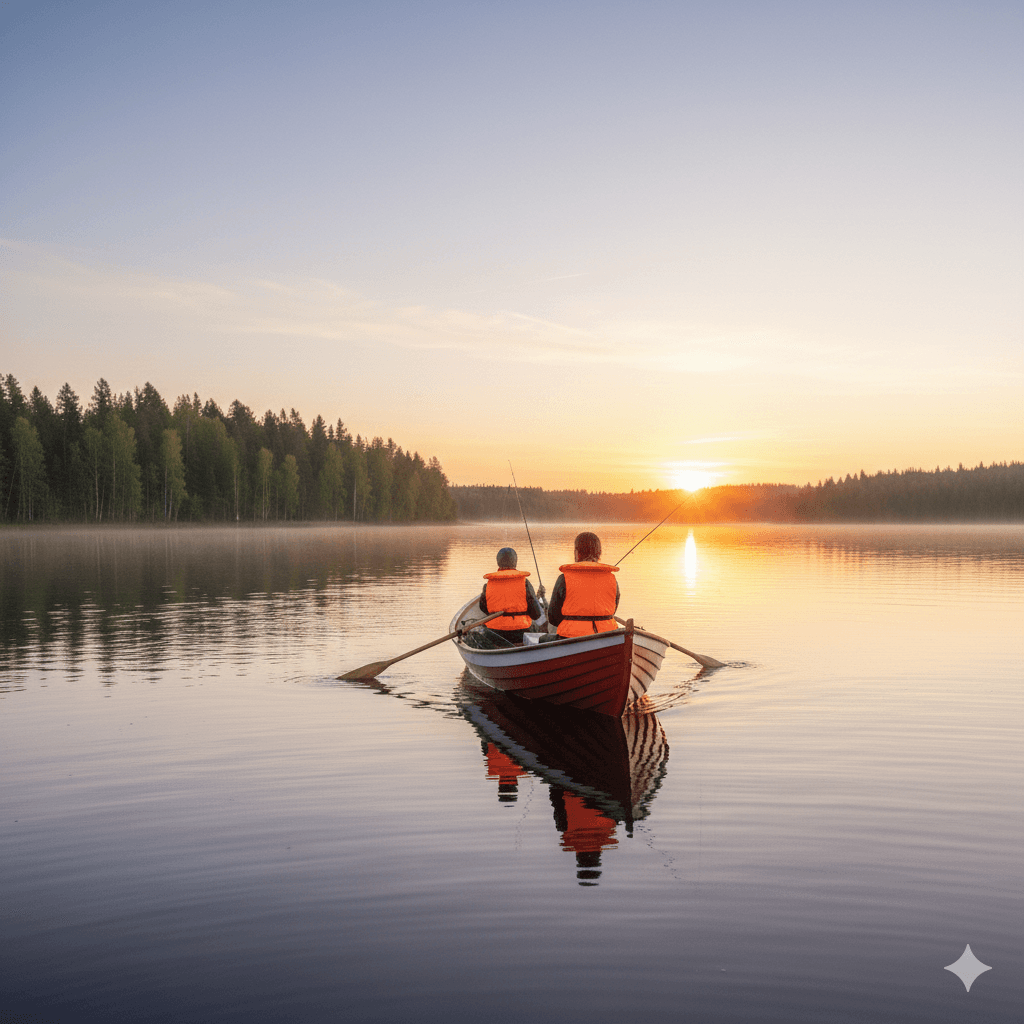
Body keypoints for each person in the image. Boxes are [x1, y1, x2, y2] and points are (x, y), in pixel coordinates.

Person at [545, 532, 620, 638]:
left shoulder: (564, 578)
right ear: (599, 553)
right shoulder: (612, 579)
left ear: (577, 553)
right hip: (606, 637)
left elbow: (553, 617)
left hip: (570, 638)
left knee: (543, 638)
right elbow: (613, 610)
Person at [479, 547, 545, 645]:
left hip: (495, 633)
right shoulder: (525, 583)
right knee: (538, 625)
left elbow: (483, 608)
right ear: (515, 562)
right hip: (521, 633)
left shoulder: (488, 585)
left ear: (498, 563)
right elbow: (536, 614)